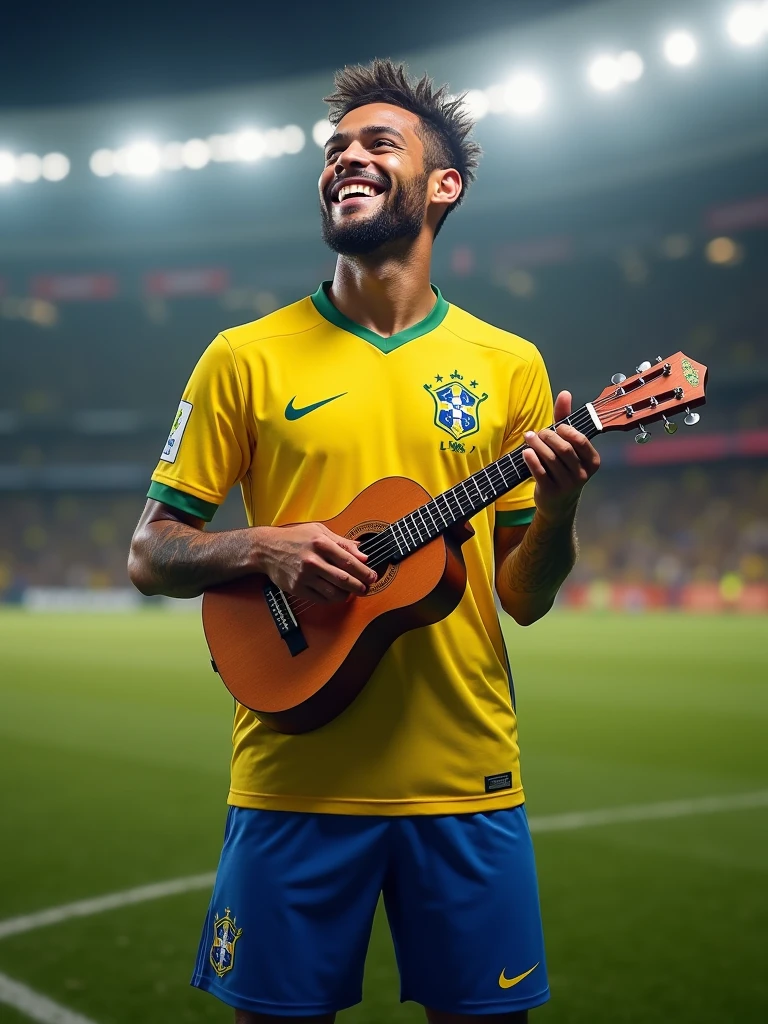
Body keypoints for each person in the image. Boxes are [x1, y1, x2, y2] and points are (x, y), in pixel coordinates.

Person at [128, 59, 600, 1024]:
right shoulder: (242, 355)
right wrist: (264, 547)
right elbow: (151, 551)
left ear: (443, 185)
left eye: (378, 143)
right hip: (292, 774)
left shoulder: (510, 365)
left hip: (466, 779)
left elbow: (524, 594)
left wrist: (554, 510)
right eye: (335, 148)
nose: (347, 157)